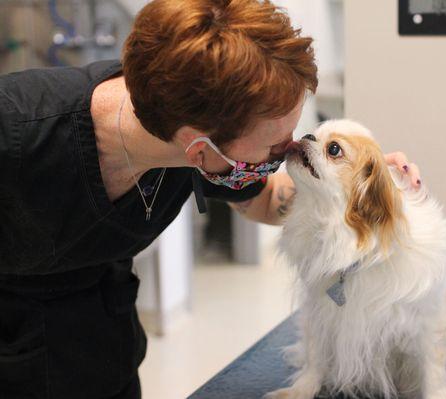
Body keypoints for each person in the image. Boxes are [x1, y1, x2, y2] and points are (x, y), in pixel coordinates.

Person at [0, 0, 421, 398]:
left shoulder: (200, 133)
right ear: (197, 148)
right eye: (274, 145)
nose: (287, 150)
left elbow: (266, 199)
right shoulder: (16, 131)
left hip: (104, 344)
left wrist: (349, 187)